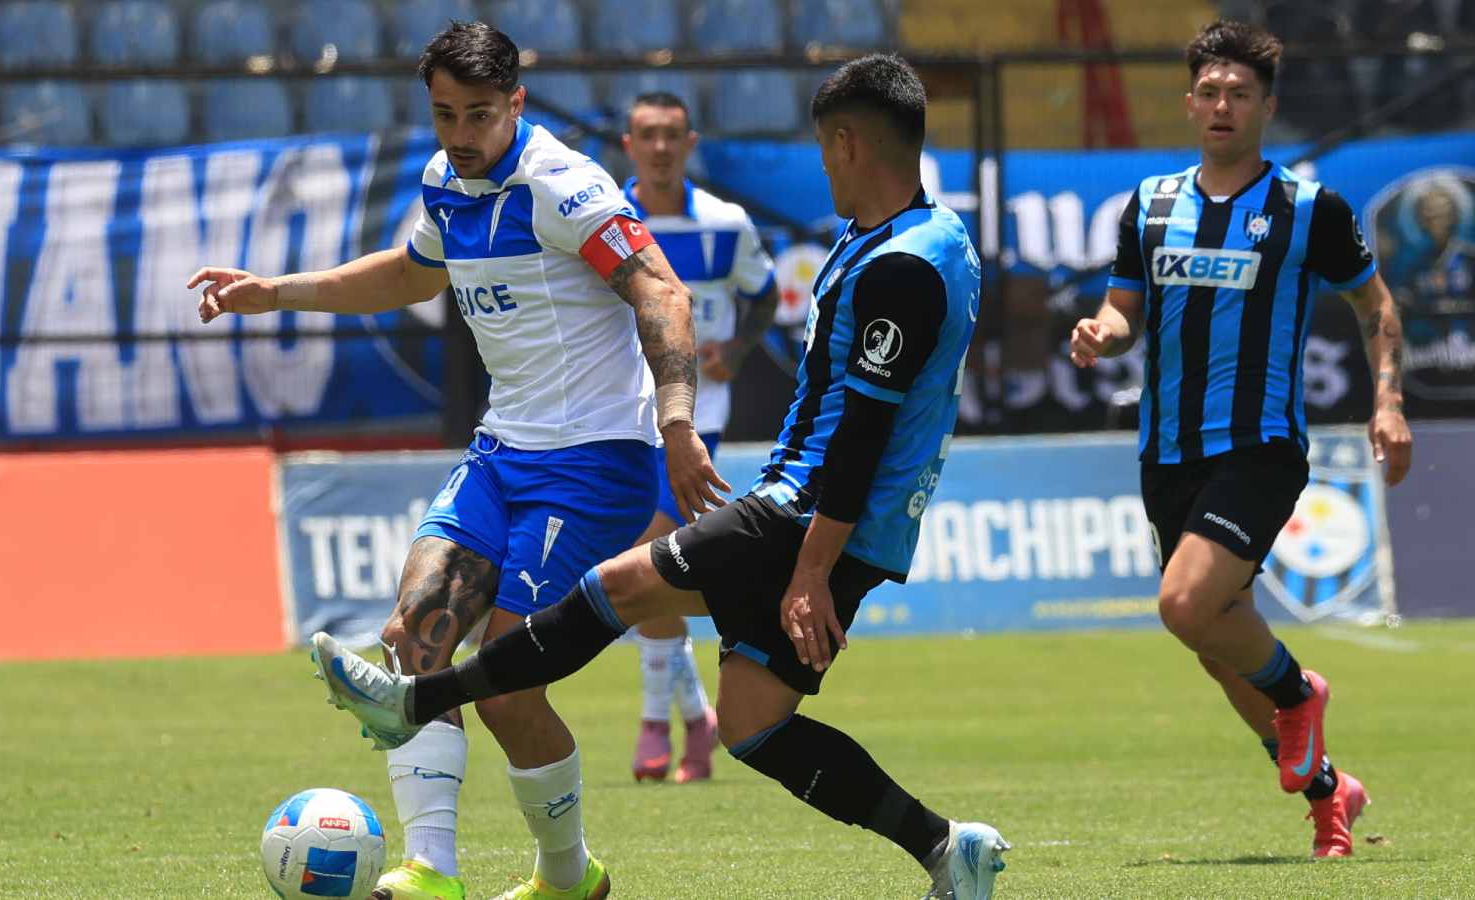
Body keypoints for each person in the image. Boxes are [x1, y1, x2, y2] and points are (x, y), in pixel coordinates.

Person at [312, 54, 1011, 900]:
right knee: (753, 725)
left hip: (807, 513)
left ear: (848, 143)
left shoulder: (904, 267)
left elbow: (863, 434)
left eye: (826, 150)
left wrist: (812, 570)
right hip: (831, 517)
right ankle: (947, 849)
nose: (822, 165)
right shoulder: (909, 242)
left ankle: (416, 703)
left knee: (618, 586)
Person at [196, 22, 727, 900]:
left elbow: (660, 289)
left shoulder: (563, 189)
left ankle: (568, 876)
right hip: (502, 449)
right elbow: (410, 273)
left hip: (595, 461)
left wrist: (677, 425)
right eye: (445, 115)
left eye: (480, 115)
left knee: (508, 691)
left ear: (516, 103)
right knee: (415, 640)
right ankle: (429, 872)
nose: (461, 135)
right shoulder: (450, 183)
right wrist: (276, 293)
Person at [1068, 20, 1413, 858]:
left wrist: (1390, 402)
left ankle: (1300, 693)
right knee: (1219, 649)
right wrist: (1102, 333)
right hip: (1167, 453)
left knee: (1185, 606)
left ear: (1267, 107)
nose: (1224, 106)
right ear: (1190, 104)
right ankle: (1333, 795)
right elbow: (1123, 309)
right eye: (1211, 92)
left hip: (1258, 447)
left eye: (1241, 94)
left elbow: (1378, 309)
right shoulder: (1148, 205)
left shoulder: (1309, 210)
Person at [617, 90, 781, 784]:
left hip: (694, 421)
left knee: (644, 567)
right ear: (628, 144)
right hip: (619, 419)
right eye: (647, 135)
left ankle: (659, 725)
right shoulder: (608, 222)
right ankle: (695, 721)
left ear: (690, 144)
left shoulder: (725, 224)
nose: (659, 147)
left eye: (672, 136)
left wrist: (736, 350)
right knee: (646, 579)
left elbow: (766, 293)